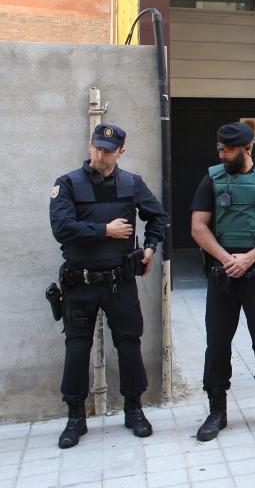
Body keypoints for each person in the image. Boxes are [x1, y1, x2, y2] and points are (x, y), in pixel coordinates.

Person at [49, 123, 168, 448]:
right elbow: (61, 229)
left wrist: (150, 248)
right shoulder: (68, 184)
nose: (100, 154)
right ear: (90, 147)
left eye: (107, 150)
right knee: (76, 348)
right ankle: (76, 417)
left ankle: (134, 410)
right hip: (80, 282)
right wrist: (105, 230)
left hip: (119, 281)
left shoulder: (131, 183)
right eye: (96, 147)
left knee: (129, 344)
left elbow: (158, 217)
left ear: (121, 152)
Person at [190, 122, 255, 441]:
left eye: (228, 149)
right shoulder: (212, 179)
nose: (221, 154)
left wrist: (248, 257)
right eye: (219, 148)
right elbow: (198, 226)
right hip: (222, 276)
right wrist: (226, 258)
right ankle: (217, 411)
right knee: (217, 344)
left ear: (248, 148)